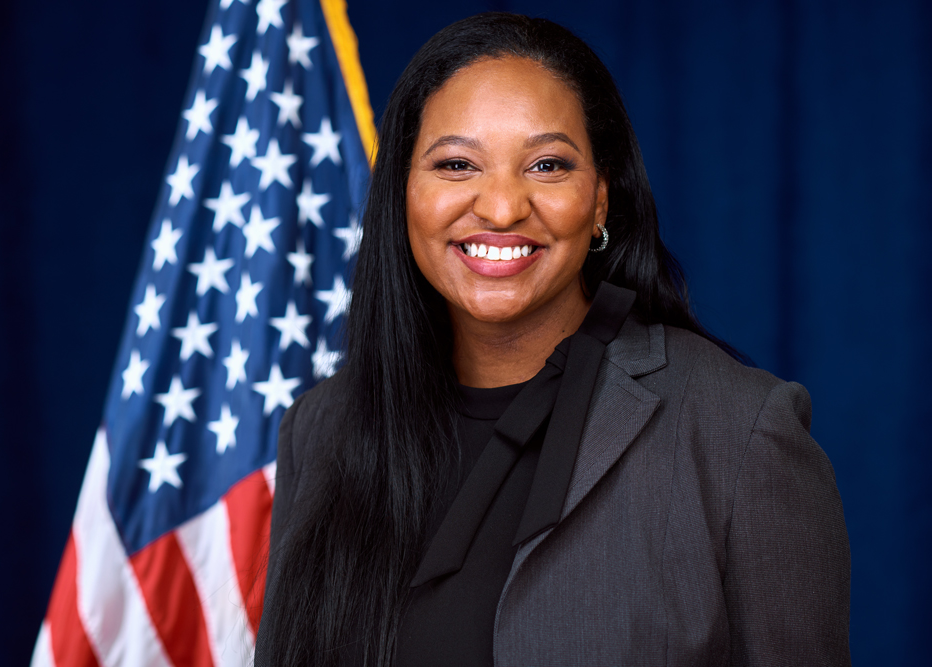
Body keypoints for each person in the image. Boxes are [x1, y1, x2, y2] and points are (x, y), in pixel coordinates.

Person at [254, 12, 851, 667]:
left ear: (600, 197)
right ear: (402, 193)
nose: (503, 206)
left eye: (546, 164)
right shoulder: (322, 429)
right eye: (456, 163)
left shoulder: (738, 431)